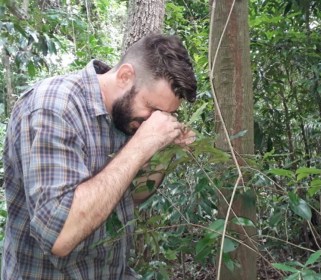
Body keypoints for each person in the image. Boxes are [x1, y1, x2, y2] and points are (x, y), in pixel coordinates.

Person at [1, 34, 197, 279]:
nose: (154, 121)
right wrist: (141, 145)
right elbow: (59, 235)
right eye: (153, 109)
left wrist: (166, 151)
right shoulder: (53, 107)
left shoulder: (125, 116)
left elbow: (131, 194)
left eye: (165, 115)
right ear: (125, 76)